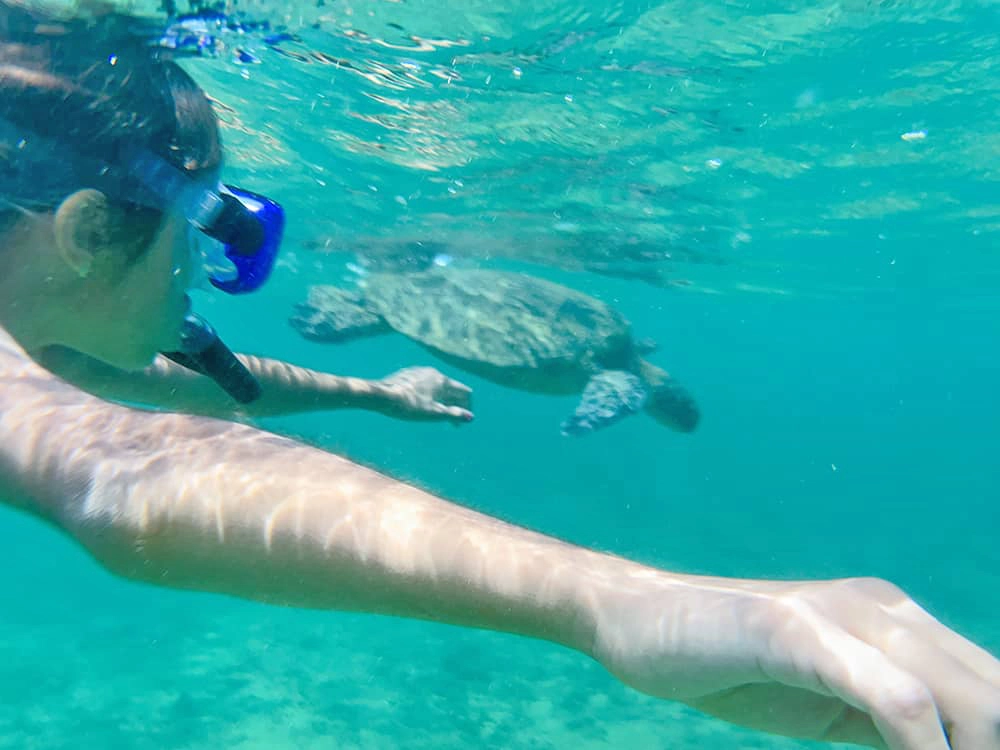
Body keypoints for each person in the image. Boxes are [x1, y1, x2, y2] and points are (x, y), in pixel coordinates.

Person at [0, 5, 996, 750]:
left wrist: (376, 395)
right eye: (200, 243)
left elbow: (157, 389)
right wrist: (615, 601)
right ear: (89, 231)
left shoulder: (47, 333)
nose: (200, 289)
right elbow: (119, 469)